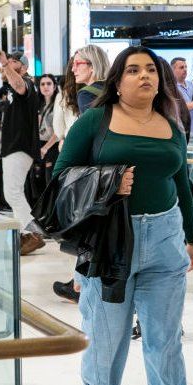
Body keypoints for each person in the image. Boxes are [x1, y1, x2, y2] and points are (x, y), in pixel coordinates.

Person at [54, 46, 193, 385]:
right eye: (133, 70)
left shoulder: (171, 125)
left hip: (165, 239)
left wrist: (192, 237)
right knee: (107, 330)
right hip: (111, 241)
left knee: (165, 341)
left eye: (151, 70)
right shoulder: (94, 122)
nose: (144, 76)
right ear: (116, 80)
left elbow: (182, 182)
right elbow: (60, 175)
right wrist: (111, 182)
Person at [51, 46, 111, 303]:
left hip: (98, 173)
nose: (73, 69)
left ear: (93, 65)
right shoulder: (113, 90)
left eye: (79, 64)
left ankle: (81, 285)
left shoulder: (88, 94)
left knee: (91, 231)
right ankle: (78, 281)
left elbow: (93, 134)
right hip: (116, 171)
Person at [0, 50, 44, 255]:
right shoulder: (10, 91)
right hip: (12, 147)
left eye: (15, 62)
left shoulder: (27, 84)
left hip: (21, 146)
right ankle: (24, 234)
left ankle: (34, 233)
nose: (9, 65)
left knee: (13, 192)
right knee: (13, 192)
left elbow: (18, 84)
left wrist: (5, 63)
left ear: (23, 68)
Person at [73, 44, 111, 114]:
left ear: (93, 66)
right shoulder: (115, 88)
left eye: (77, 64)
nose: (73, 69)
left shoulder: (86, 94)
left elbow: (91, 124)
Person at [170, 57, 193, 136]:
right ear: (172, 70)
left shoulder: (192, 85)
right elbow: (177, 107)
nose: (185, 69)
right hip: (180, 134)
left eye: (186, 67)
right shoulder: (170, 88)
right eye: (181, 67)